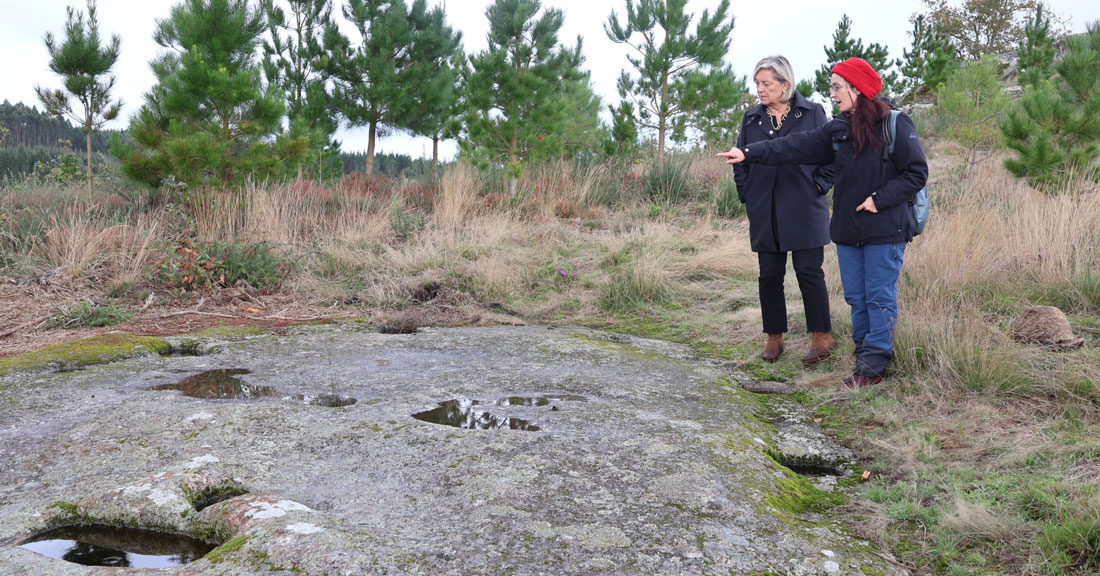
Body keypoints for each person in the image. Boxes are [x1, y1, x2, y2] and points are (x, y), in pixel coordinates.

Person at [717, 57, 928, 389]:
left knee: (878, 296)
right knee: (857, 298)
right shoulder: (839, 128)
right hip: (847, 231)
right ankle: (864, 355)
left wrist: (879, 199)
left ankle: (873, 366)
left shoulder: (895, 124)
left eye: (837, 87)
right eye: (832, 87)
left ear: (857, 89)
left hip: (885, 229)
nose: (832, 94)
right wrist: (748, 153)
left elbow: (916, 173)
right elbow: (792, 146)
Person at [734, 55, 836, 366]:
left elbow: (831, 156)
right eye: (757, 84)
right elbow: (741, 161)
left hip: (805, 207)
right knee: (769, 275)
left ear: (785, 85)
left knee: (808, 272)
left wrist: (818, 186)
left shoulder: (813, 113)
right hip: (765, 209)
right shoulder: (751, 119)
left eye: (766, 84)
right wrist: (748, 195)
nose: (760, 90)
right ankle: (774, 336)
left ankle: (821, 335)